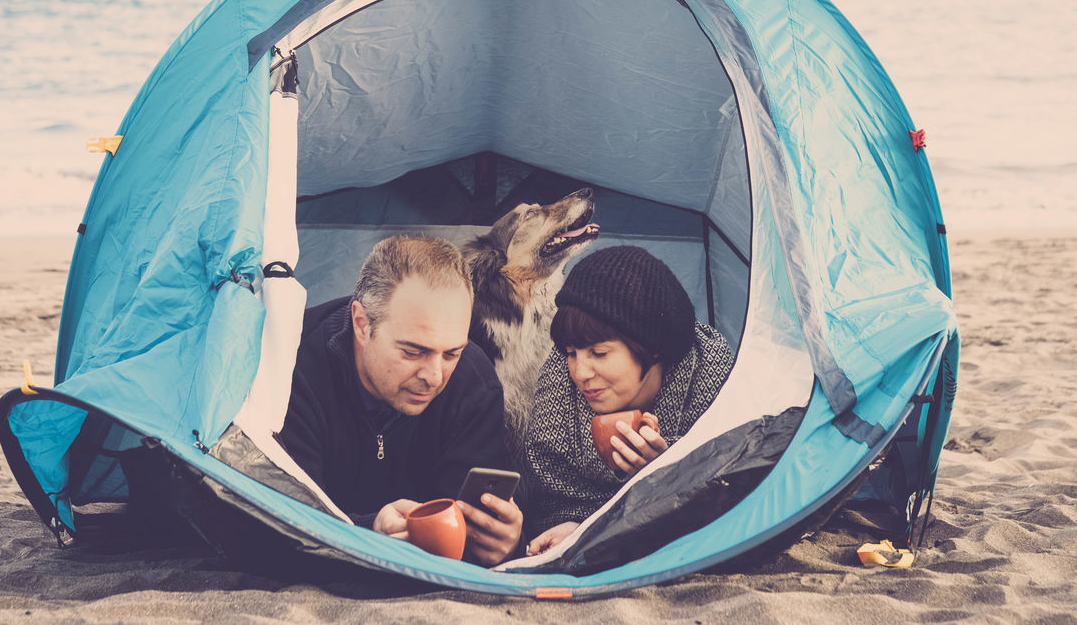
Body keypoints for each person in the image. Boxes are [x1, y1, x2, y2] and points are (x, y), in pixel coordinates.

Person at [273, 235, 523, 565]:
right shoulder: (288, 365)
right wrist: (367, 534)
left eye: (451, 353)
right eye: (413, 351)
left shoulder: (473, 379)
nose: (434, 376)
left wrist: (505, 543)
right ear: (362, 324)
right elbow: (271, 525)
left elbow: (471, 526)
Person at [522, 245, 734, 556]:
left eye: (600, 353)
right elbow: (553, 494)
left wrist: (671, 473)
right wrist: (577, 525)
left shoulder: (707, 370)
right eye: (571, 353)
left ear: (652, 347)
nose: (580, 372)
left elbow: (738, 482)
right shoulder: (558, 376)